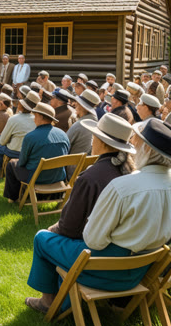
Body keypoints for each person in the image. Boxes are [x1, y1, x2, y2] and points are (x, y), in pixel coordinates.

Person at [25, 118, 171, 314]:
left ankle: (48, 303)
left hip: (105, 271)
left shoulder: (124, 187)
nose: (133, 144)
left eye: (137, 141)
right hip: (141, 271)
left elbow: (93, 241)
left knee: (42, 237)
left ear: (148, 150)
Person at [48, 113, 136, 240]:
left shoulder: (90, 178)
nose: (92, 141)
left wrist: (50, 230)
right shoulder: (128, 172)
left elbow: (68, 228)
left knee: (41, 238)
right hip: (115, 241)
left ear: (101, 141)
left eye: (94, 136)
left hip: (89, 245)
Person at [3, 102, 70, 202]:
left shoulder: (31, 137)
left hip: (37, 177)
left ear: (41, 117)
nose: (34, 118)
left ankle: (13, 198)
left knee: (12, 164)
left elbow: (22, 162)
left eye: (35, 115)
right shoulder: (63, 135)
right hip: (58, 176)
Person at [0, 91, 38, 178]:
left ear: (21, 105)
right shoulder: (37, 120)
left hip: (14, 152)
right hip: (31, 153)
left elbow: (2, 141)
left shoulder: (14, 119)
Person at [65, 89, 100, 177]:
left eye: (78, 103)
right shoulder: (97, 124)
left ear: (83, 106)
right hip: (89, 172)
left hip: (73, 174)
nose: (75, 104)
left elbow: (63, 147)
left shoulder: (79, 125)